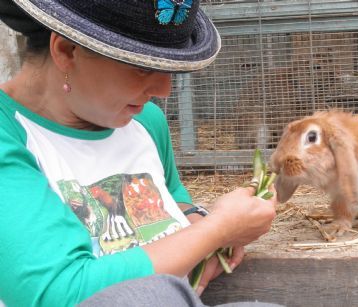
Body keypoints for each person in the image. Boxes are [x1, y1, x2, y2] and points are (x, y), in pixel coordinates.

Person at [0, 0, 279, 306]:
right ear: (67, 51)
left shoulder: (145, 122)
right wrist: (218, 229)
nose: (164, 89)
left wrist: (201, 223)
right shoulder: (10, 136)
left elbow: (173, 197)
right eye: (142, 67)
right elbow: (60, 291)